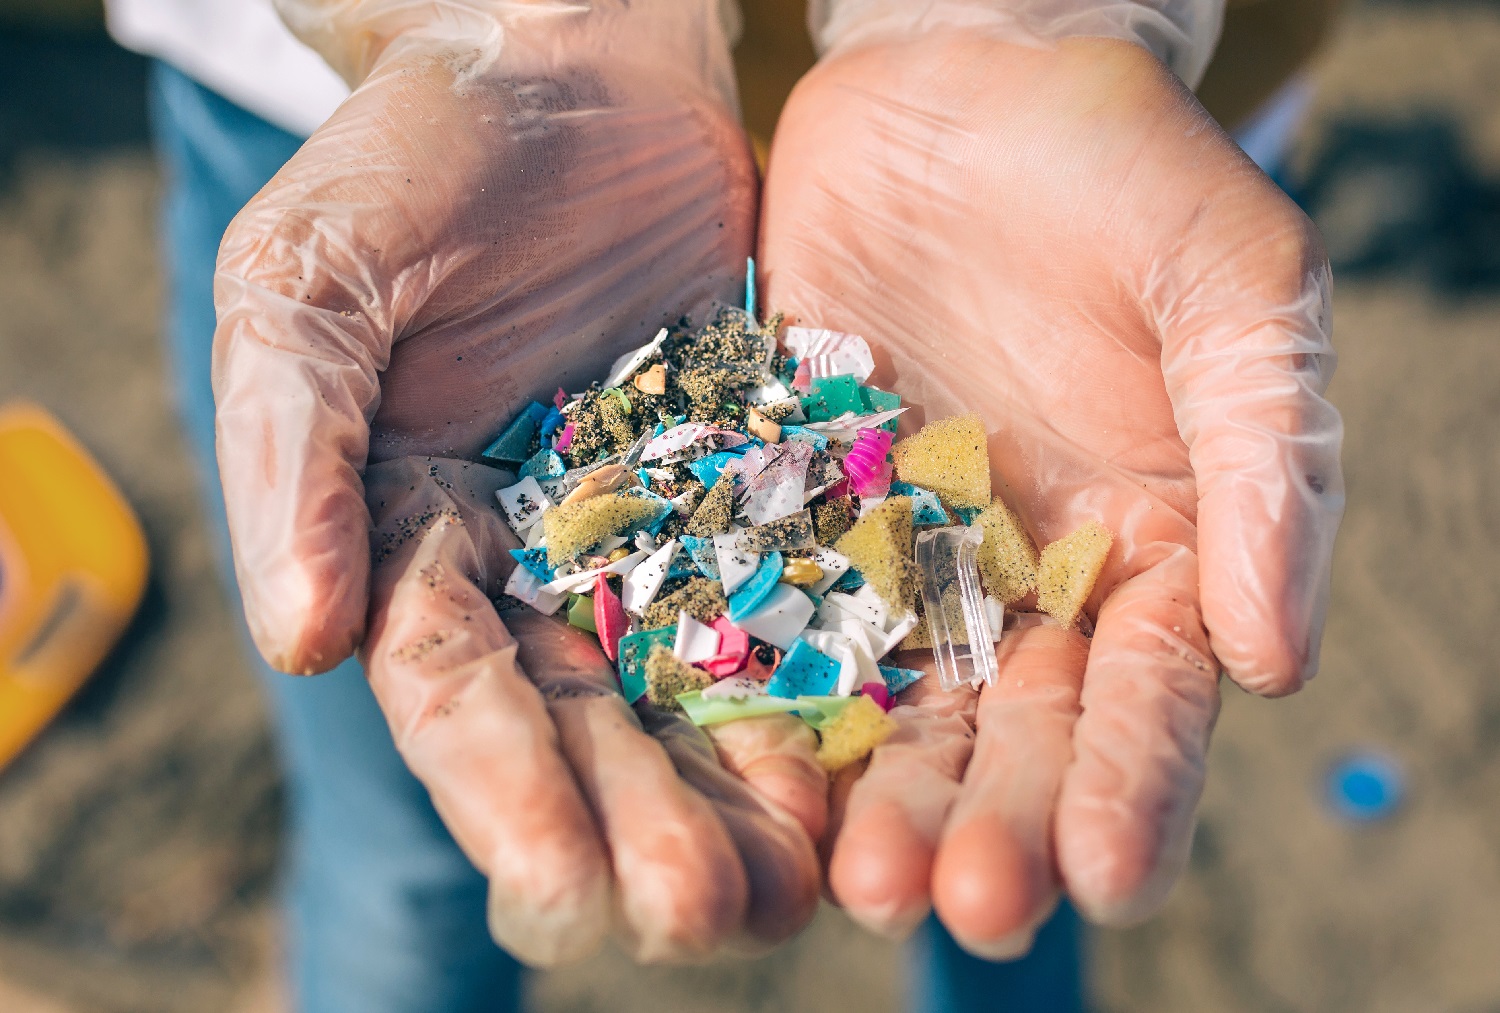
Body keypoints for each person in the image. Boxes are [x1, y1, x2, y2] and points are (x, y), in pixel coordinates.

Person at [105, 0, 1345, 1010]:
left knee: (1016, 846)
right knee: (410, 852)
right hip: (409, 135)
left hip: (1077, 171)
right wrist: (523, 24)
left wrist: (1022, 21)